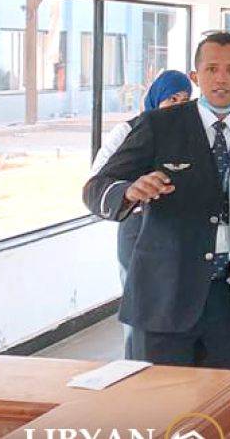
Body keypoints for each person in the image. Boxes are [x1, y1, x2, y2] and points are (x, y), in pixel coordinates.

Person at [83, 32, 230, 369]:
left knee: (218, 399)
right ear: (196, 76)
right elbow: (96, 188)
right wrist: (129, 191)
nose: (221, 78)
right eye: (211, 69)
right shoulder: (159, 125)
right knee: (160, 398)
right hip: (164, 298)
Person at [91, 69, 193, 358]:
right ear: (156, 99)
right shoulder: (129, 130)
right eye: (171, 99)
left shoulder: (191, 135)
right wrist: (132, 190)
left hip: (177, 232)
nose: (178, 106)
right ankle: (135, 367)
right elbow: (97, 181)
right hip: (137, 230)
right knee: (140, 311)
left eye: (185, 100)